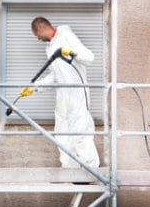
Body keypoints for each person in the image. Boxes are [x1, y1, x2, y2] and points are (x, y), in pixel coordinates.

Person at [20, 17, 100, 168]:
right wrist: (35, 87)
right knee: (62, 134)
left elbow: (89, 57)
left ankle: (90, 171)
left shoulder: (66, 36)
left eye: (37, 35)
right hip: (63, 96)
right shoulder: (49, 48)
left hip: (77, 94)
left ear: (42, 28)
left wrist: (72, 53)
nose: (38, 39)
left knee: (81, 132)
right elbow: (55, 76)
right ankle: (70, 171)